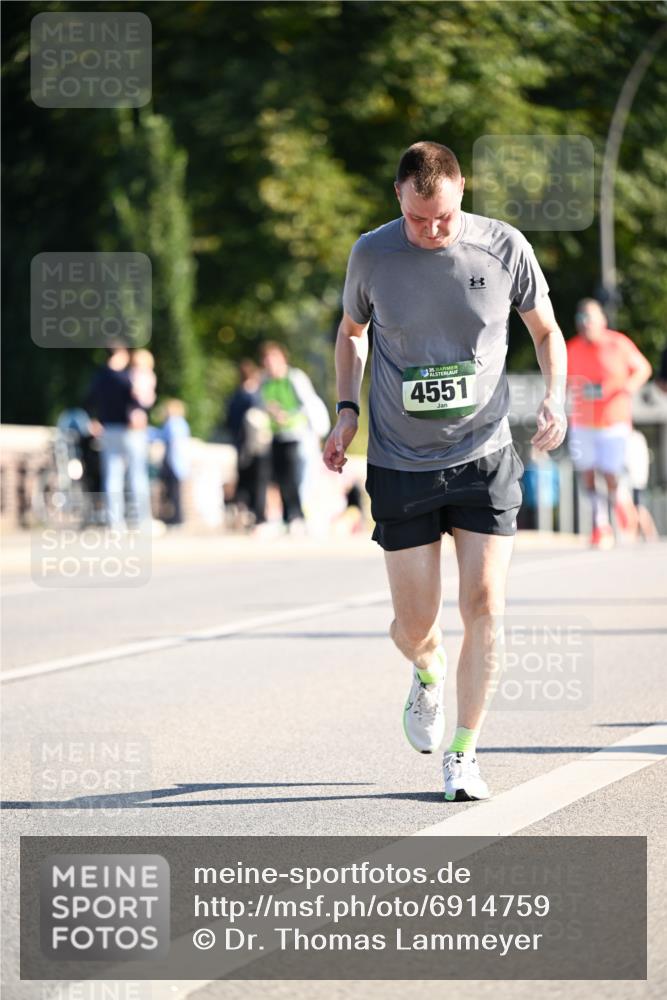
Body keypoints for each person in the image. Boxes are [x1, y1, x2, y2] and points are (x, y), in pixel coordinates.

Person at [323, 141, 568, 802]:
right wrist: (345, 413)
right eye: (417, 219)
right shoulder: (372, 253)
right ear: (397, 197)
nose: (431, 231)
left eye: (443, 218)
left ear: (461, 191)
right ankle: (426, 668)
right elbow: (351, 331)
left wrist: (554, 396)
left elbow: (545, 331)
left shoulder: (503, 247)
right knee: (414, 625)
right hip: (400, 462)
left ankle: (463, 752)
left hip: (484, 453)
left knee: (485, 602)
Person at [566, 299, 652, 548]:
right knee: (588, 474)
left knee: (612, 474)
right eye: (581, 319)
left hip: (614, 423)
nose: (585, 324)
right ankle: (600, 525)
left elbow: (643, 368)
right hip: (582, 422)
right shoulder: (572, 348)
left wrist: (627, 388)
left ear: (602, 320)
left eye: (589, 318)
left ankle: (623, 517)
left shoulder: (618, 343)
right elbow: (564, 382)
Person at [259, 342, 328, 534]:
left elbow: (308, 405)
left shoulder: (295, 378)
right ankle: (288, 516)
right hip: (277, 434)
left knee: (298, 478)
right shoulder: (265, 382)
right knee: (281, 478)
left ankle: (299, 515)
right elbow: (262, 404)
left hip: (298, 434)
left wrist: (289, 417)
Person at [84, 344, 152, 528]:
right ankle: (141, 520)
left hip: (109, 429)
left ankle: (115, 522)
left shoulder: (100, 377)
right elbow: (141, 402)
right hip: (130, 430)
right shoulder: (127, 377)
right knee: (137, 475)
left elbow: (89, 401)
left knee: (112, 476)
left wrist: (95, 419)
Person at [226, 359, 272, 530]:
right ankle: (258, 515)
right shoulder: (255, 396)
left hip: (241, 445)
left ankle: (244, 513)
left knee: (244, 480)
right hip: (258, 446)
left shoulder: (236, 396)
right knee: (259, 481)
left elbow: (229, 421)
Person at [156, 399, 191, 526]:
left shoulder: (172, 423)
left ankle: (174, 518)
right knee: (176, 493)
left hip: (173, 462)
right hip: (180, 462)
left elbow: (163, 437)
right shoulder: (183, 423)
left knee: (172, 493)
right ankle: (176, 517)